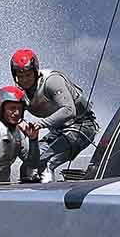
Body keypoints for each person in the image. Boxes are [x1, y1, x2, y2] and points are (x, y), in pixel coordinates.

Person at [10, 48, 100, 182]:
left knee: (43, 162)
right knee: (29, 166)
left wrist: (41, 124)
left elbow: (69, 110)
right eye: (20, 76)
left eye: (28, 75)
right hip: (58, 130)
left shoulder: (52, 81)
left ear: (35, 72)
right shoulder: (19, 92)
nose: (24, 80)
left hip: (81, 126)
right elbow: (7, 113)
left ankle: (47, 199)